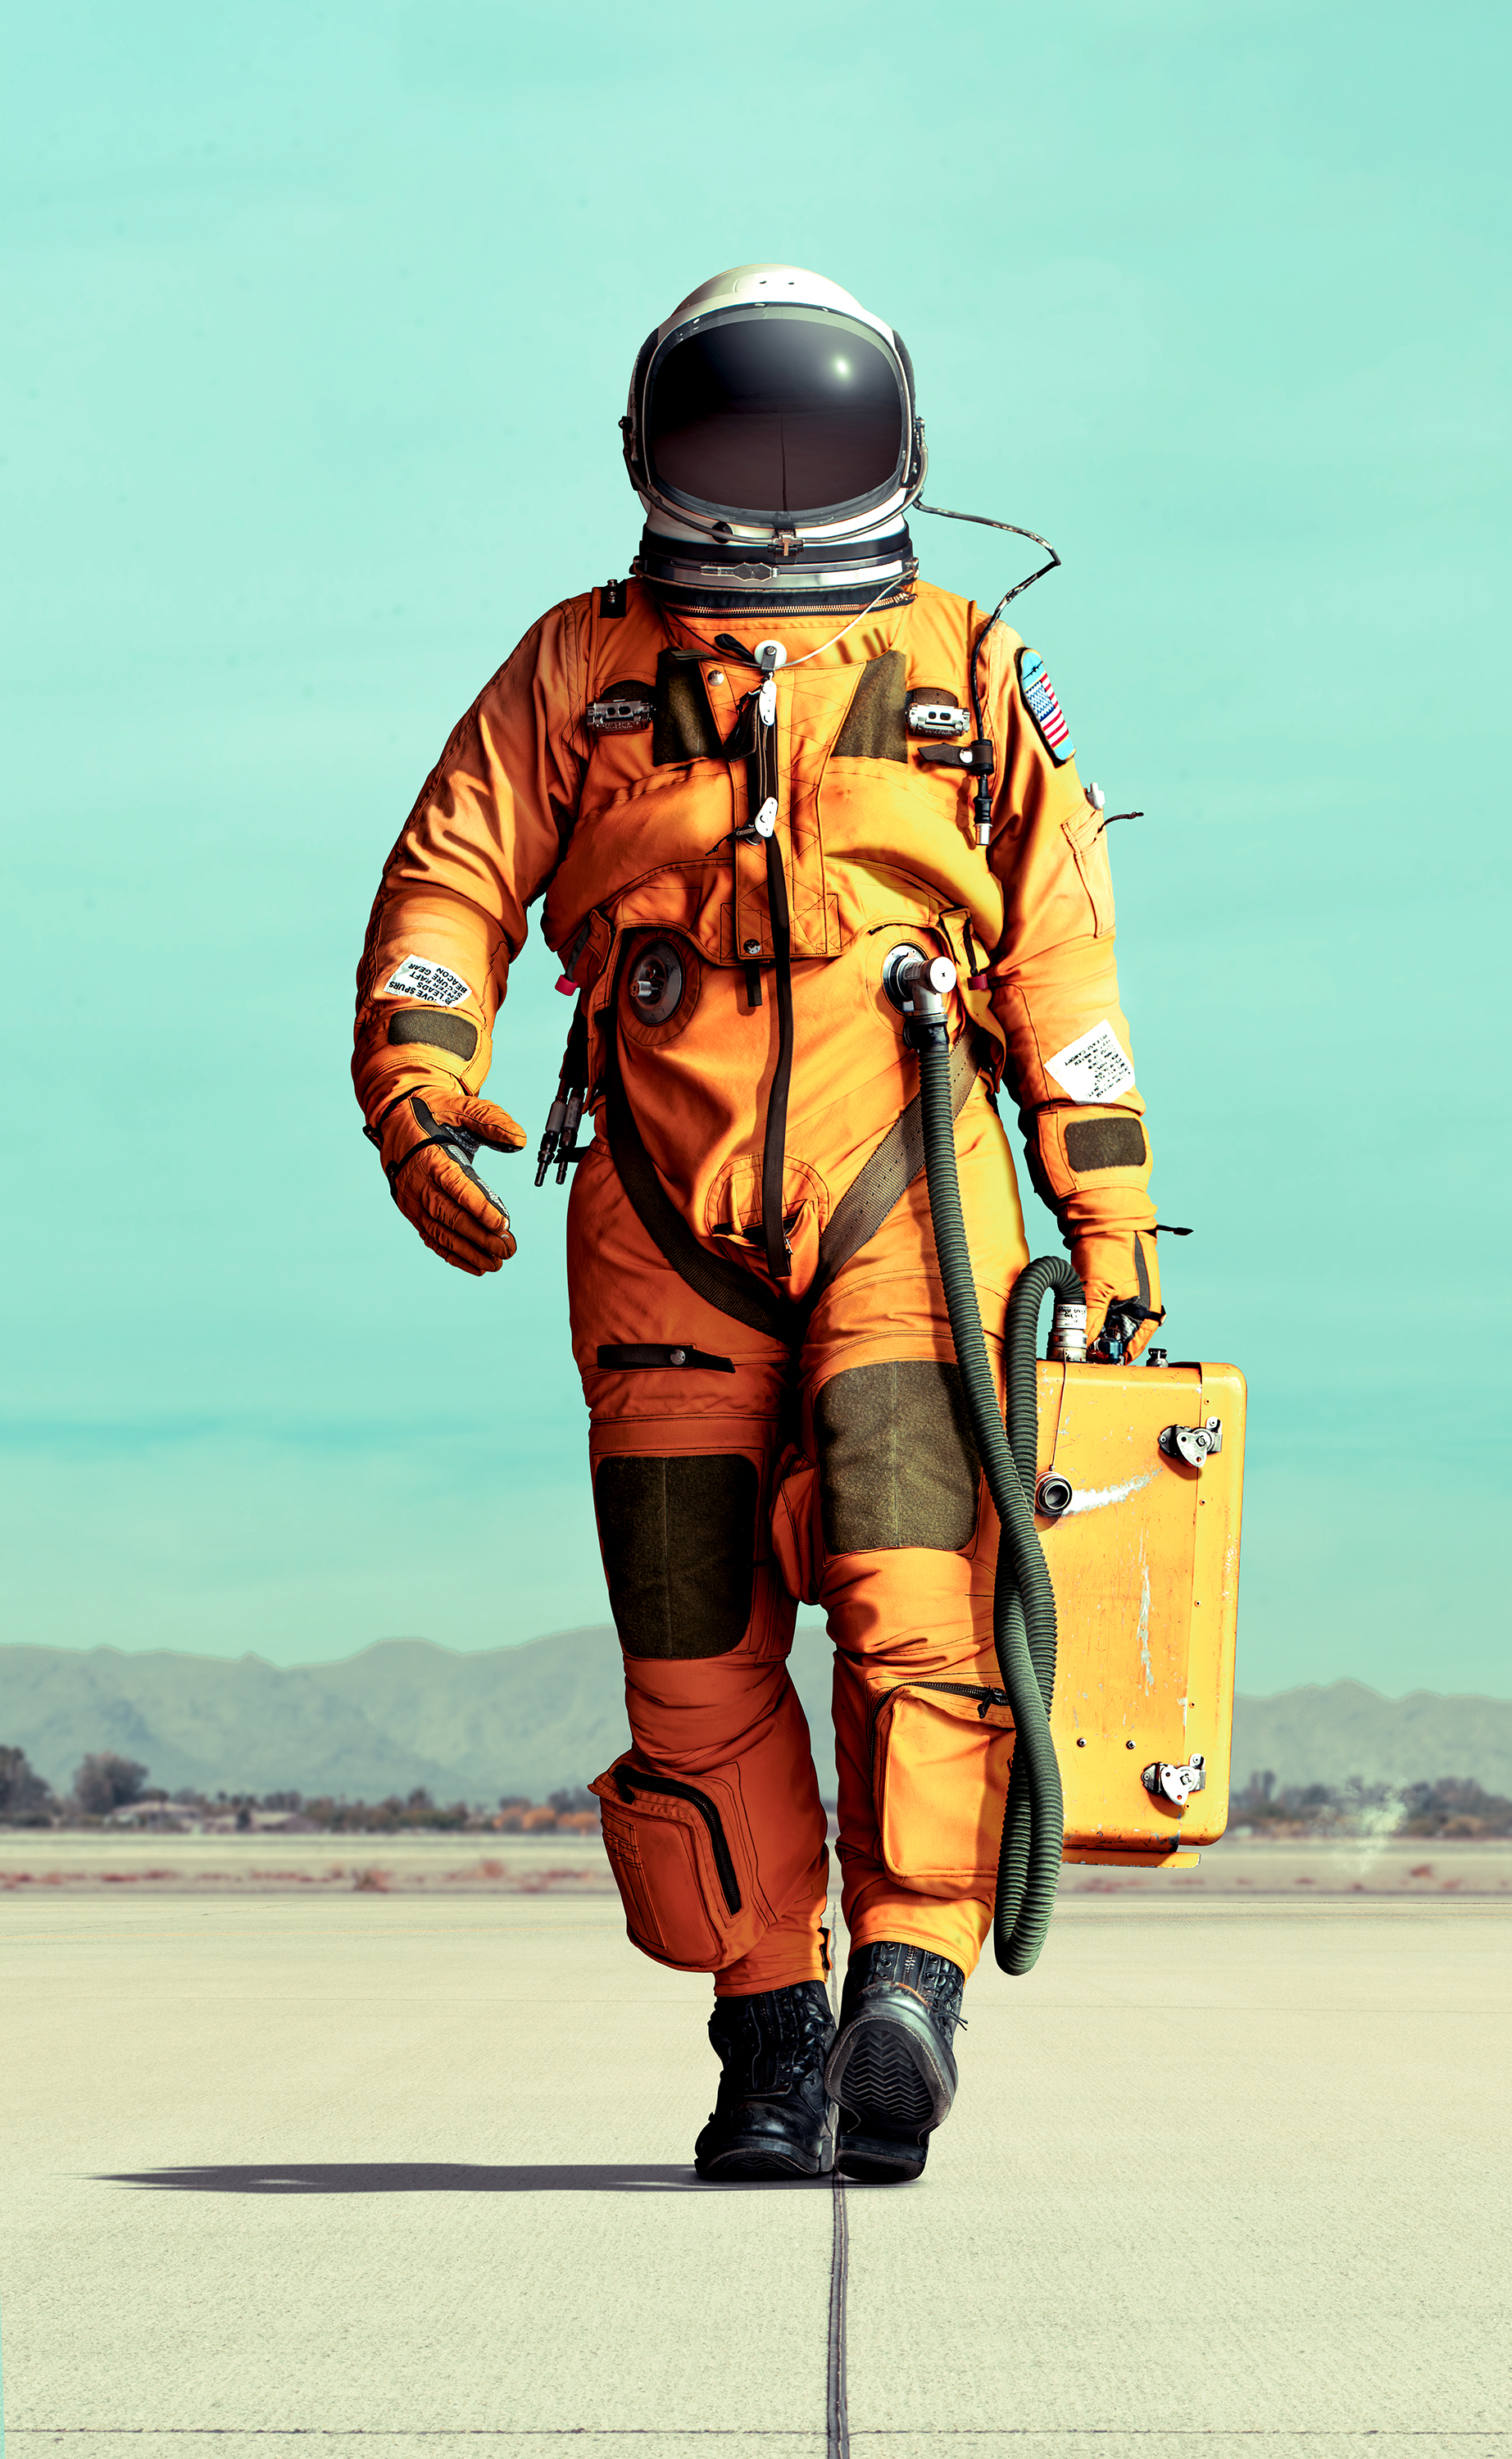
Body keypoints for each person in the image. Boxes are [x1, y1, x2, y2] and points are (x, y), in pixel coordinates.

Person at [352, 264, 1160, 2184]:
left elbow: (1059, 954)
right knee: (695, 1637)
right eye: (740, 435)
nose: (782, 477)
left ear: (899, 450)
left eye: (815, 435)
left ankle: (904, 1990)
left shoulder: (969, 671)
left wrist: (1106, 1208)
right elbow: (449, 881)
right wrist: (418, 1086)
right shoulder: (579, 668)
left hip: (914, 1193)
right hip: (658, 1198)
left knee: (918, 1606)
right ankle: (768, 2032)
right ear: (650, 453)